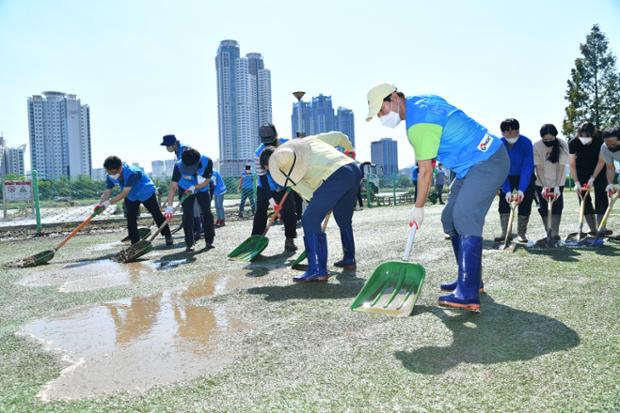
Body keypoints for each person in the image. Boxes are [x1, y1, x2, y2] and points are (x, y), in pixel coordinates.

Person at [366, 83, 509, 312]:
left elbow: (425, 171)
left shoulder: (418, 124)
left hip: (487, 160)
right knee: (450, 218)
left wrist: (418, 207)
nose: (382, 118)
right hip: (469, 166)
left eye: (382, 111)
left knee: (464, 216)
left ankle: (468, 292)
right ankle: (469, 278)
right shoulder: (421, 101)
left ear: (394, 97)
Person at [263, 132, 360, 282]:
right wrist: (350, 150)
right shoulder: (308, 141)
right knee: (343, 218)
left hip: (335, 178)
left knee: (309, 219)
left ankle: (317, 270)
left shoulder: (289, 172)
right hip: (352, 169)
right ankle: (349, 259)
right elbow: (340, 136)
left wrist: (322, 203)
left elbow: (309, 195)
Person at [97, 156, 172, 246]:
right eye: (109, 172)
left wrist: (108, 203)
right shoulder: (110, 175)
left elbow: (124, 193)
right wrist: (100, 205)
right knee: (130, 218)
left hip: (145, 192)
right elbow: (107, 192)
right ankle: (135, 243)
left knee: (156, 214)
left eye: (113, 172)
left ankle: (168, 235)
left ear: (120, 167)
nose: (112, 175)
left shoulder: (132, 173)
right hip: (131, 196)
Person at [252, 123, 298, 251]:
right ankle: (255, 241)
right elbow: (262, 178)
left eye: (271, 141)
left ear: (276, 135)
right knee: (260, 213)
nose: (268, 145)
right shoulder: (258, 153)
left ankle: (290, 239)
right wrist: (272, 202)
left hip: (284, 185)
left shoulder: (287, 145)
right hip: (265, 186)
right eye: (266, 142)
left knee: (289, 214)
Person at [165, 148, 215, 252]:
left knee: (206, 213)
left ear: (198, 162)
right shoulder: (178, 166)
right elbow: (173, 187)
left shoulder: (207, 162)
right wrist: (169, 207)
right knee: (188, 215)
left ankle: (209, 241)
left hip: (202, 188)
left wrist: (194, 188)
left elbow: (206, 181)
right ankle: (189, 244)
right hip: (185, 188)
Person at [496, 118, 536, 243]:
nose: (513, 135)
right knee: (504, 203)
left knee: (525, 203)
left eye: (515, 131)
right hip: (505, 176)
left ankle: (521, 234)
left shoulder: (526, 142)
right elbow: (500, 168)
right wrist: (506, 190)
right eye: (509, 132)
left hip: (524, 175)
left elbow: (527, 166)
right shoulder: (498, 144)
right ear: (503, 133)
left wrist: (522, 189)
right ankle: (505, 232)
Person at [569, 122, 609, 234]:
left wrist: (592, 178)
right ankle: (592, 228)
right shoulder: (573, 142)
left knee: (601, 195)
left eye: (587, 136)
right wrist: (576, 182)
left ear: (593, 134)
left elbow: (601, 161)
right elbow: (572, 164)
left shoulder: (601, 139)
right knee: (583, 197)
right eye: (581, 135)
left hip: (599, 169)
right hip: (581, 169)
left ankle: (601, 227)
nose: (584, 138)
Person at [160, 133, 202, 239]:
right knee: (189, 207)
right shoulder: (178, 150)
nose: (167, 148)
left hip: (194, 182)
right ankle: (195, 229)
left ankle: (197, 230)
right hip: (186, 182)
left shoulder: (184, 149)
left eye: (168, 146)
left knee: (194, 207)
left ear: (174, 144)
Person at [533, 124, 569, 241]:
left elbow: (561, 167)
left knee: (557, 206)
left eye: (551, 139)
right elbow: (538, 168)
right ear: (542, 137)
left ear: (555, 136)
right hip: (541, 182)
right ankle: (548, 232)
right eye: (545, 139)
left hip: (558, 181)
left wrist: (557, 186)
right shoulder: (537, 146)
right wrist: (544, 186)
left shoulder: (562, 145)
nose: (548, 141)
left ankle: (555, 233)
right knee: (544, 207)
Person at [591, 127, 620, 229]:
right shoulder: (604, 147)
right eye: (608, 144)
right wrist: (610, 184)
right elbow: (610, 167)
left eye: (614, 144)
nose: (611, 147)